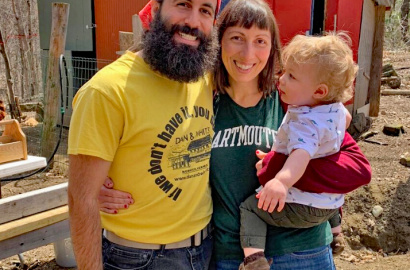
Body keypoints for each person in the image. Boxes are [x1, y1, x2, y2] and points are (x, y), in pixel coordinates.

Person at [99, 0, 372, 269]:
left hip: (303, 251)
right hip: (233, 255)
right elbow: (162, 153)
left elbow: (358, 170)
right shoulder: (200, 99)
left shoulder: (296, 101)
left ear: (272, 49)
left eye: (260, 41)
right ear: (218, 41)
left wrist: (275, 167)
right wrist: (107, 183)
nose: (247, 53)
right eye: (237, 38)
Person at [67, 0, 222, 269]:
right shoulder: (107, 91)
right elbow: (81, 198)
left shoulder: (204, 76)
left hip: (207, 248)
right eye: (183, 4)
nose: (194, 21)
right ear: (156, 8)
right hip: (137, 258)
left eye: (205, 10)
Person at [238, 33, 359, 270]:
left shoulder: (304, 122)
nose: (281, 80)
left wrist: (281, 181)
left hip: (301, 206)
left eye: (291, 76)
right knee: (330, 191)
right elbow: (346, 119)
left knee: (250, 208)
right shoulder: (335, 111)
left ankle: (254, 259)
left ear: (320, 91)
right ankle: (337, 234)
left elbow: (301, 155)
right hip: (329, 206)